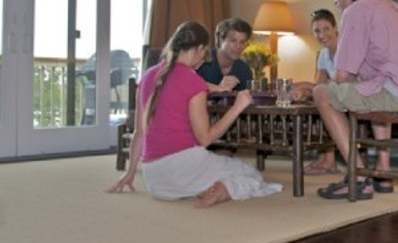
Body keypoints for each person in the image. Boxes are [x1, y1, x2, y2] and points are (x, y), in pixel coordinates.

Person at [107, 21, 282, 208]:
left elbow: (139, 133)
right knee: (252, 175)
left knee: (220, 167)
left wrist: (130, 172)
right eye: (204, 52)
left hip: (155, 182)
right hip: (182, 169)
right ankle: (221, 191)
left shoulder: (148, 76)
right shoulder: (192, 81)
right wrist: (237, 107)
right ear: (199, 48)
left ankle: (203, 187)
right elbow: (205, 138)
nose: (204, 58)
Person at [313, 0, 398, 200]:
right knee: (371, 88)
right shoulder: (392, 6)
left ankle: (358, 176)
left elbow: (342, 77)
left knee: (321, 93)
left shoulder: (356, 11)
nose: (336, 1)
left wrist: (311, 86)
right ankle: (383, 171)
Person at [291, 6, 341, 175]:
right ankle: (326, 159)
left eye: (326, 29)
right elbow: (319, 84)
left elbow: (343, 84)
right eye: (317, 31)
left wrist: (305, 85)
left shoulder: (346, 48)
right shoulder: (323, 54)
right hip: (336, 96)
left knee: (320, 102)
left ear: (335, 28)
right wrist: (303, 91)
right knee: (313, 104)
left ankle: (328, 160)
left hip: (354, 95)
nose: (322, 35)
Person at [197, 17, 253, 92]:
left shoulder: (244, 70)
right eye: (233, 41)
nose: (238, 46)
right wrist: (218, 88)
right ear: (220, 40)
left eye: (242, 42)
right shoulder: (201, 61)